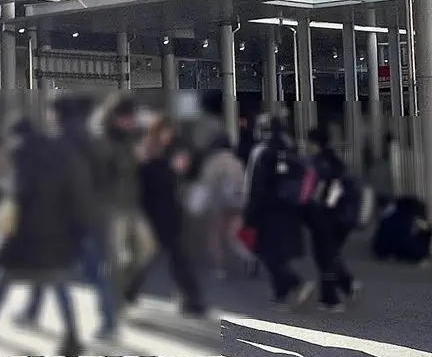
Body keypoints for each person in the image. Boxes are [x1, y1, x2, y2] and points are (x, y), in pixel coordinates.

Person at [0, 115, 84, 357]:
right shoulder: (56, 157)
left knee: (3, 277)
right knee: (58, 283)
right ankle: (72, 336)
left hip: (23, 234)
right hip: (53, 233)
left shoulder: (19, 158)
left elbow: (15, 193)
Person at [18, 94, 119, 341]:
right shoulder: (96, 141)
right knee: (94, 273)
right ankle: (109, 321)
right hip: (94, 216)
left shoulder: (60, 144)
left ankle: (58, 325)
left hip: (65, 219)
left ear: (59, 115)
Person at [128, 116, 208, 317]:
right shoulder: (147, 152)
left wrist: (180, 169)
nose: (168, 136)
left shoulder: (169, 152)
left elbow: (185, 173)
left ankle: (192, 298)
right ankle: (128, 291)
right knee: (153, 257)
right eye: (165, 132)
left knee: (172, 256)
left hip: (169, 211)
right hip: (154, 211)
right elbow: (144, 180)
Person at [243, 114, 314, 308]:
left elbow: (256, 185)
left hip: (267, 210)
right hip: (288, 208)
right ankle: (280, 294)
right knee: (278, 251)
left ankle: (295, 283)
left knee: (265, 251)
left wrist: (250, 213)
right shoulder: (289, 148)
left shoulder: (262, 151)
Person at [95, 94, 157, 303]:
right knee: (118, 257)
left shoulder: (132, 136)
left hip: (132, 203)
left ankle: (127, 290)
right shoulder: (104, 139)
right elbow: (106, 169)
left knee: (147, 249)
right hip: (112, 205)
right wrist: (134, 157)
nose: (130, 121)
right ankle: (114, 300)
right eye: (126, 118)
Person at [303, 128, 360, 310]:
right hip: (341, 217)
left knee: (325, 256)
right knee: (329, 255)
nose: (306, 146)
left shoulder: (321, 165)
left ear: (315, 144)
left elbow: (322, 195)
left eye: (309, 142)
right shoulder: (334, 162)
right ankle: (345, 285)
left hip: (328, 218)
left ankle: (331, 298)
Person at [199, 126, 252, 278]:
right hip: (237, 201)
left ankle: (219, 268)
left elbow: (207, 184)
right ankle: (248, 256)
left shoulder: (212, 162)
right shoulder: (236, 161)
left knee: (214, 234)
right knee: (236, 232)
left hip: (218, 203)